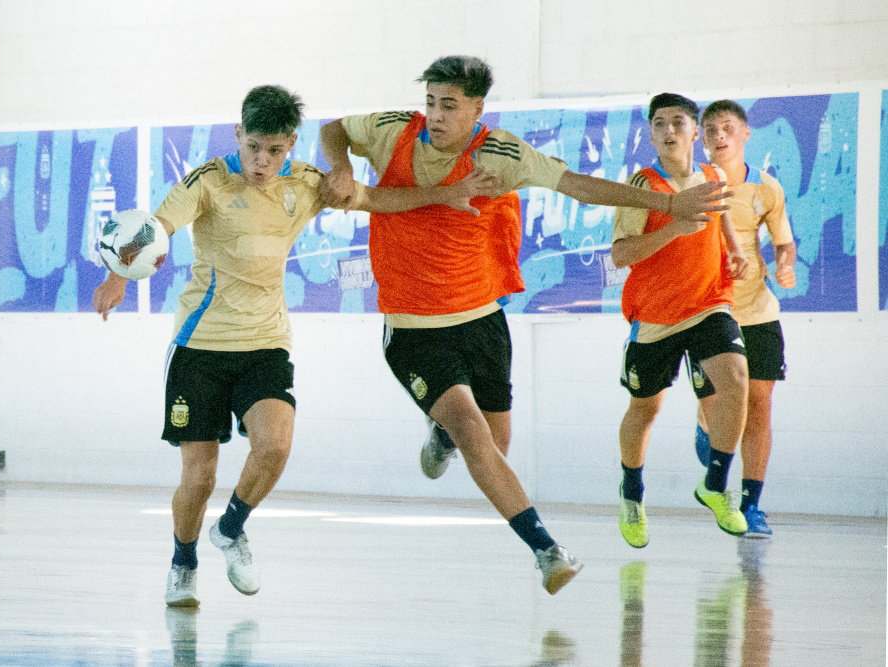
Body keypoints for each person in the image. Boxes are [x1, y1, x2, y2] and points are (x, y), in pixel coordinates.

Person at [319, 56, 731, 594]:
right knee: (473, 433)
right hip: (414, 327)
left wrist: (668, 202)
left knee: (494, 444)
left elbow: (580, 186)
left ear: (476, 109)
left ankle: (442, 433)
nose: (436, 116)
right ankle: (547, 551)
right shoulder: (393, 129)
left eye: (449, 106)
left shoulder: (500, 153)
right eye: (431, 104)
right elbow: (333, 130)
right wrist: (342, 167)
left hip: (482, 319)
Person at [94, 85, 498, 607]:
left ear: (291, 144)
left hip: (265, 344)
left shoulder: (307, 184)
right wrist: (120, 275)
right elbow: (154, 229)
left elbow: (378, 200)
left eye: (274, 150)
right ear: (238, 134)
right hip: (200, 346)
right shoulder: (210, 182)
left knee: (276, 446)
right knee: (199, 477)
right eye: (253, 146)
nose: (261, 161)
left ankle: (232, 527)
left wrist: (445, 193)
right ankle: (183, 561)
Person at [611, 92, 749, 549]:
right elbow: (620, 253)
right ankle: (632, 492)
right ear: (650, 134)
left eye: (678, 122)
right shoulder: (641, 186)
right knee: (645, 409)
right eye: (659, 124)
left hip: (710, 303)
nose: (669, 131)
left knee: (735, 380)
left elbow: (721, 218)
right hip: (655, 316)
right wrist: (673, 226)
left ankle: (714, 484)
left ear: (695, 131)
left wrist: (735, 251)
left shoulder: (712, 175)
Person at [690, 99, 796, 538]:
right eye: (710, 128)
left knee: (759, 407)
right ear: (700, 136)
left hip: (757, 311)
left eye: (727, 127)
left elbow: (784, 242)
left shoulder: (766, 188)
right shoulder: (692, 183)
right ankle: (704, 425)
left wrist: (785, 263)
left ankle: (751, 503)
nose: (719, 135)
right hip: (707, 311)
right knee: (717, 409)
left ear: (745, 133)